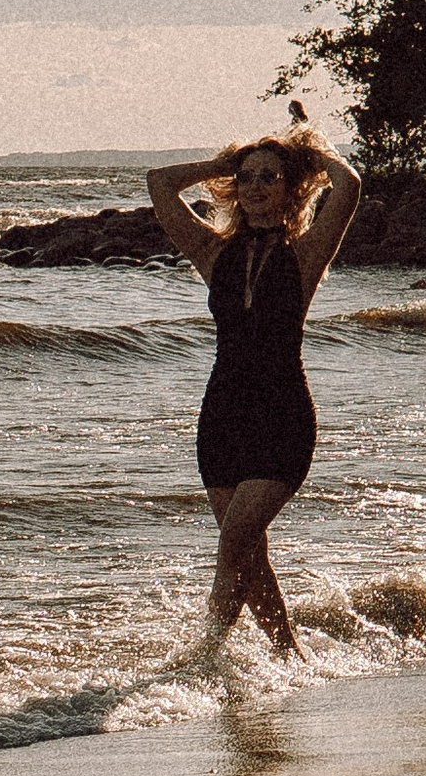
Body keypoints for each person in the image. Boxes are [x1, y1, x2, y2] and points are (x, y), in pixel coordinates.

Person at [147, 116, 361, 656]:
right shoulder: (212, 252)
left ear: (290, 190)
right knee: (249, 552)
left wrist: (309, 154)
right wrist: (223, 162)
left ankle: (205, 658)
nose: (256, 187)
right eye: (247, 178)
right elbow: (158, 183)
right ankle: (288, 654)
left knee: (235, 539)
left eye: (269, 178)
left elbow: (349, 187)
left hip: (282, 415)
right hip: (222, 416)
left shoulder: (306, 254)